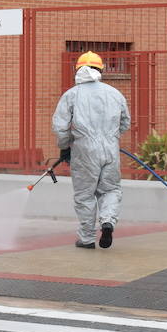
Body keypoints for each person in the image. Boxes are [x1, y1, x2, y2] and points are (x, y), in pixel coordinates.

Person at [52, 52, 131, 250]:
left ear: (78, 70)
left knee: (85, 194)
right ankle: (108, 222)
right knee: (111, 189)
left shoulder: (71, 94)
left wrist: (65, 147)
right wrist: (111, 137)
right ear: (101, 70)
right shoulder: (115, 93)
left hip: (84, 150)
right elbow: (126, 122)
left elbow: (60, 127)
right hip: (110, 149)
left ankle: (87, 238)